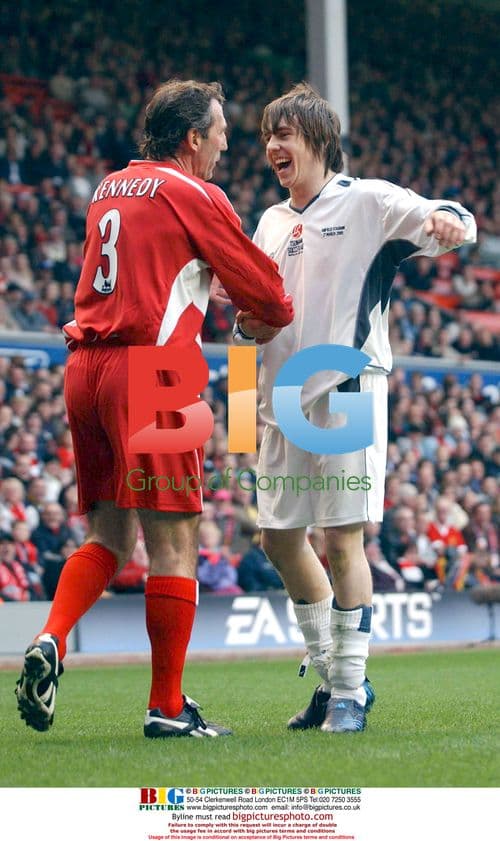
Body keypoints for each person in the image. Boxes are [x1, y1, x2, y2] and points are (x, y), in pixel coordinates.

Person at [15, 79, 293, 739]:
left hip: (85, 369)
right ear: (192, 137)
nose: (226, 145)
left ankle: (52, 636)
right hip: (153, 372)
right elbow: (272, 296)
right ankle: (166, 706)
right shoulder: (194, 192)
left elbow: (154, 267)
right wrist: (254, 312)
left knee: (108, 538)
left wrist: (205, 277)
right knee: (175, 542)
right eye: (220, 132)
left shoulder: (110, 187)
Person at [230, 82, 476, 732]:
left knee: (342, 538)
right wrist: (239, 413)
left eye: (283, 134)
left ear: (317, 138)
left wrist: (450, 222)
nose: (272, 147)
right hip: (280, 399)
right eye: (266, 137)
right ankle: (332, 676)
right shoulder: (269, 222)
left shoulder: (367, 200)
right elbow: (245, 324)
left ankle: (347, 691)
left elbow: (451, 214)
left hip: (347, 386)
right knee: (278, 539)